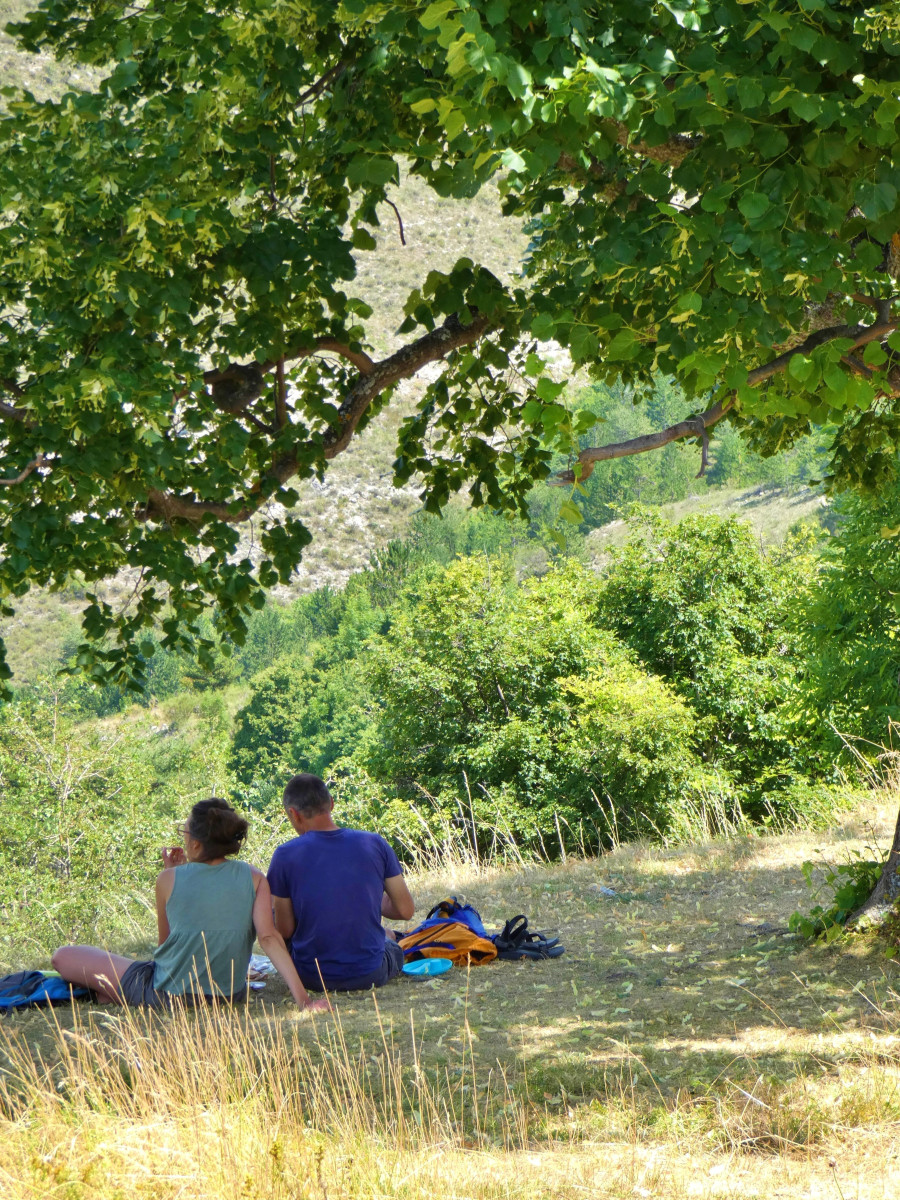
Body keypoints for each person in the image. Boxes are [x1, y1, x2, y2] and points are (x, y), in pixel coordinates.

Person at [52, 797, 329, 1012]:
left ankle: (115, 993)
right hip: (228, 996)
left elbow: (165, 948)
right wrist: (304, 1001)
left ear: (196, 844)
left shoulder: (168, 879)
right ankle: (111, 993)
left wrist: (173, 873)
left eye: (185, 831)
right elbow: (269, 938)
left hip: (167, 994)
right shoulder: (255, 877)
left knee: (63, 956)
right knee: (111, 980)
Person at [268, 773, 415, 992]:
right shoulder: (374, 843)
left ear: (293, 814)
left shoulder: (284, 855)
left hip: (311, 977)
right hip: (371, 974)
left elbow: (285, 930)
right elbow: (405, 910)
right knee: (391, 944)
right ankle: (385, 937)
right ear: (331, 804)